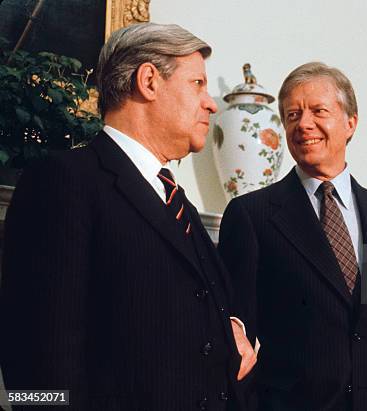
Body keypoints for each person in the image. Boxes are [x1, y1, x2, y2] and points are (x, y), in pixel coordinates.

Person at [0, 23, 255, 410]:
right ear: (149, 81)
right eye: (197, 84)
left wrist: (229, 331)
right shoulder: (62, 181)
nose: (211, 103)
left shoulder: (177, 202)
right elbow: (31, 369)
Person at [217, 62, 367, 411]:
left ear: (351, 122)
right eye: (292, 115)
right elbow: (236, 342)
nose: (304, 124)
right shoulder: (251, 216)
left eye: (318, 111)